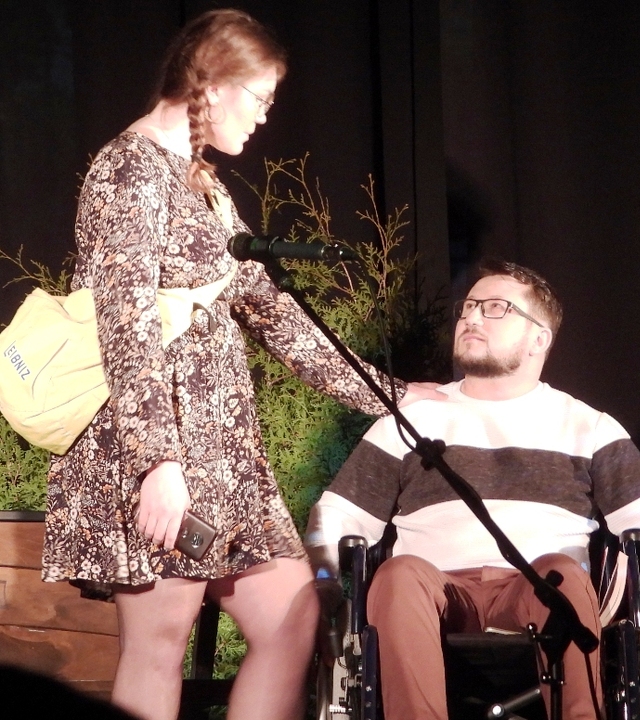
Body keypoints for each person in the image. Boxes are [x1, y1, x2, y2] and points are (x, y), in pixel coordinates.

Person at [40, 9, 439, 720]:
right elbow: (125, 325)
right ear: (214, 83)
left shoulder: (204, 185)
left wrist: (393, 394)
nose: (263, 116)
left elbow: (274, 314)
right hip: (160, 449)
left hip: (225, 458)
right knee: (158, 645)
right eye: (260, 97)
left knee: (291, 616)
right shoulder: (128, 170)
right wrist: (157, 465)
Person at [306, 258, 640, 720]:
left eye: (496, 307)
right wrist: (323, 595)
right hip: (433, 593)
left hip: (538, 591)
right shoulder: (412, 418)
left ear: (540, 338)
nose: (472, 317)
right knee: (398, 575)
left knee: (562, 574)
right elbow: (338, 515)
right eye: (469, 306)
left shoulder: (587, 427)